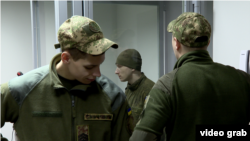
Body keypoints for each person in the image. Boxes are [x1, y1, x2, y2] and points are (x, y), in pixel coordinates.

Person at [0, 16, 130, 141]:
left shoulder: (112, 95)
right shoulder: (22, 90)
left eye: (100, 65)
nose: (98, 73)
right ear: (66, 58)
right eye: (90, 67)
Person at [129, 12, 250, 141]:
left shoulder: (168, 84)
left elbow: (141, 138)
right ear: (208, 42)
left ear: (176, 43)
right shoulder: (243, 79)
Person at [115, 49, 155, 134]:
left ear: (132, 67)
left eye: (120, 66)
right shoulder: (129, 89)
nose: (116, 71)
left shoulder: (150, 90)